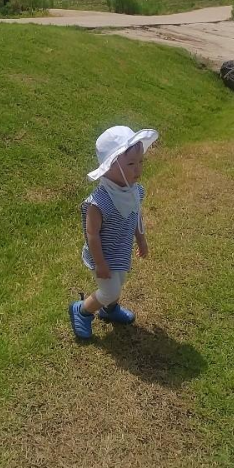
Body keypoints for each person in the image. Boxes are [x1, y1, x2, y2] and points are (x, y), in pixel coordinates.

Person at [69, 125, 159, 341]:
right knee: (109, 290)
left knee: (119, 282)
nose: (138, 169)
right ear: (109, 166)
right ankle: (82, 310)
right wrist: (100, 263)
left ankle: (109, 310)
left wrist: (141, 240)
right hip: (102, 254)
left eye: (140, 162)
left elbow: (135, 214)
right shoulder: (99, 201)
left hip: (121, 250)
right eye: (131, 164)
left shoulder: (135, 191)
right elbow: (92, 234)